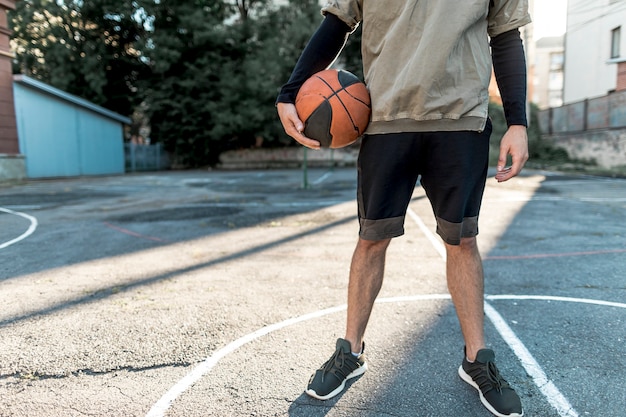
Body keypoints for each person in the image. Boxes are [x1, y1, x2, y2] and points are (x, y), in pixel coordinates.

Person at [276, 1, 531, 416]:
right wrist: (290, 93)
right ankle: (350, 352)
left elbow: (505, 34)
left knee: (463, 240)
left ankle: (476, 359)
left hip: (460, 118)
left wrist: (517, 121)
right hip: (383, 119)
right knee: (371, 239)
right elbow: (338, 22)